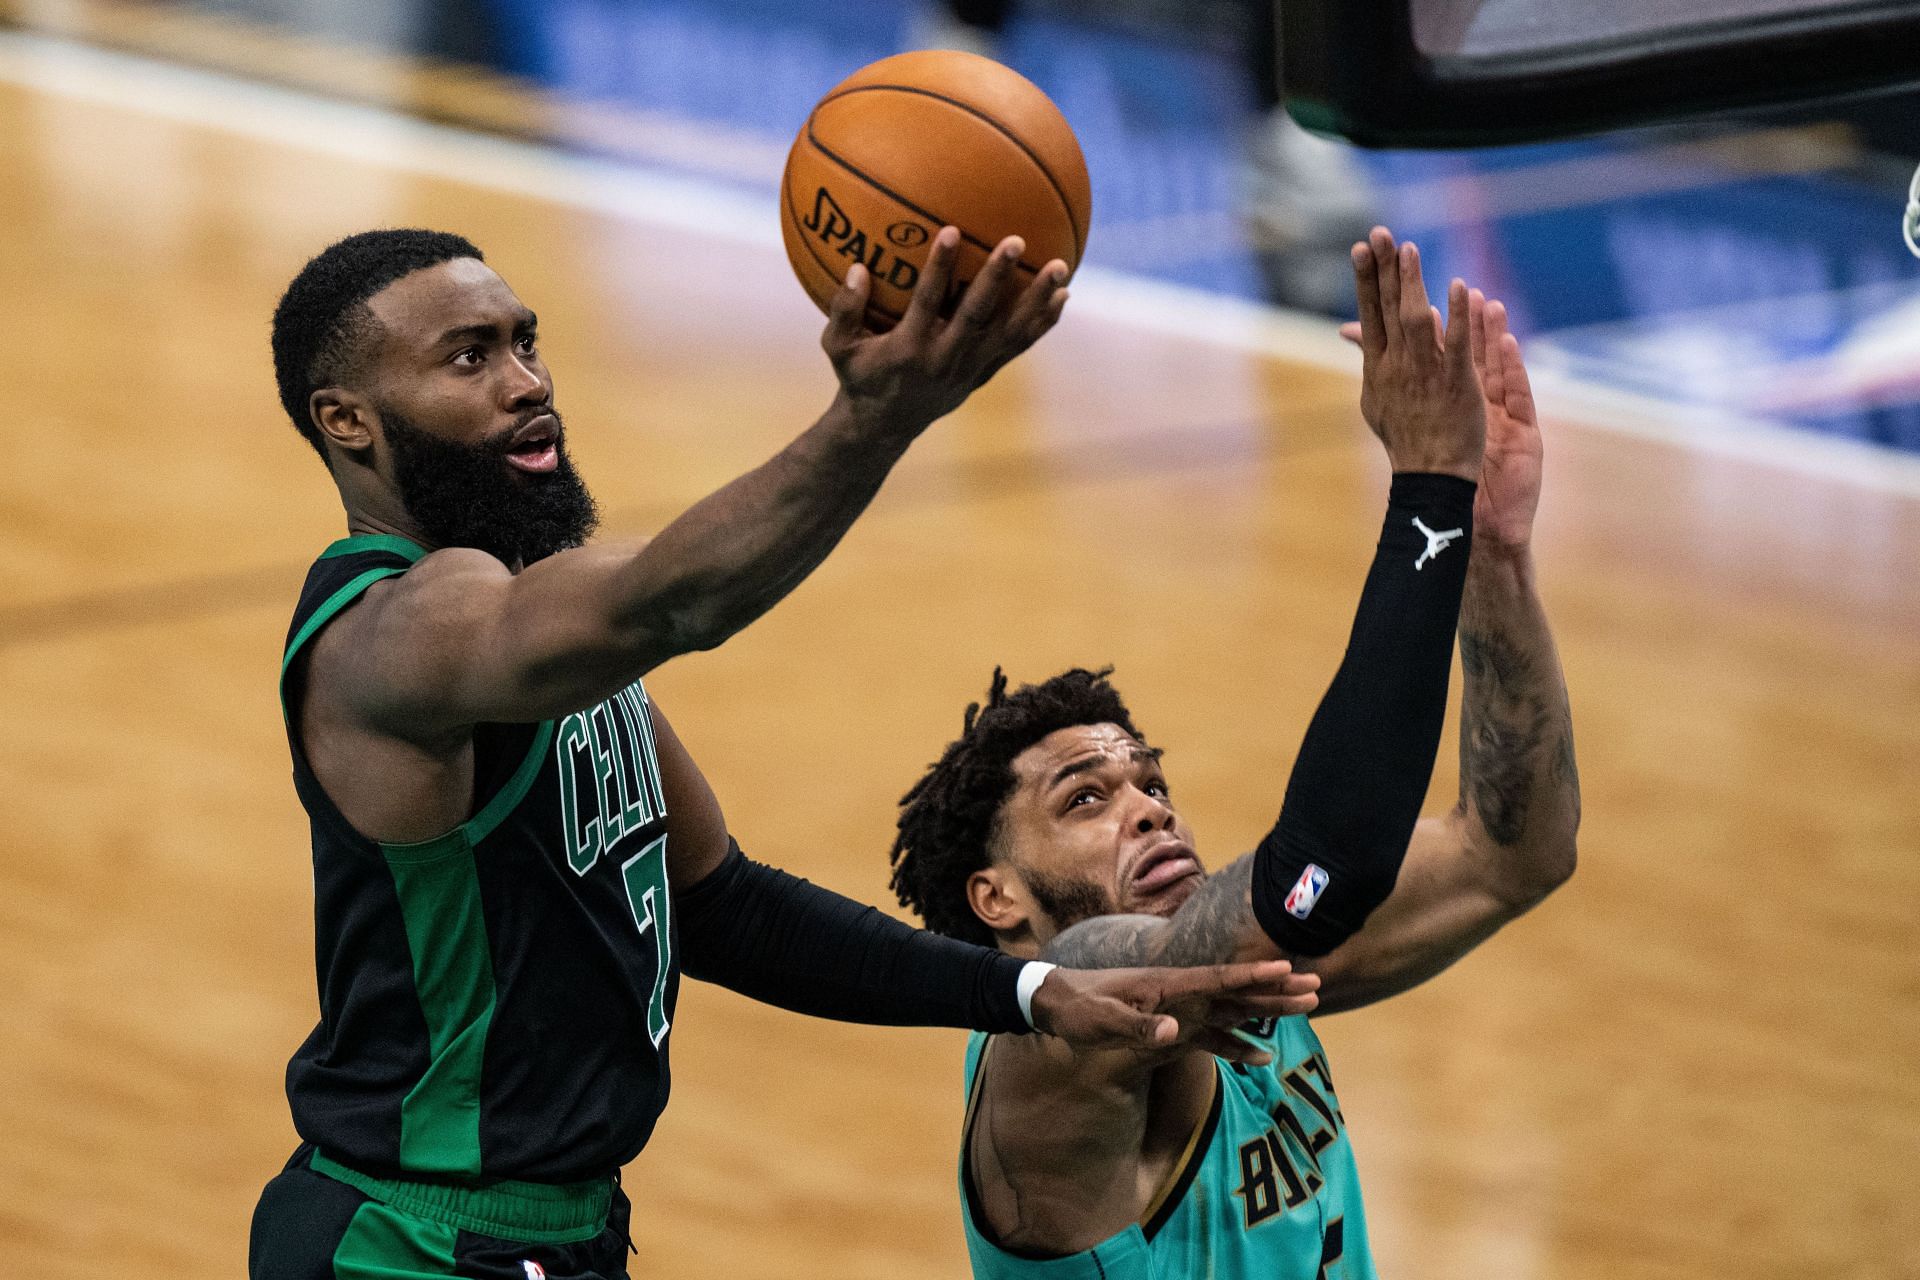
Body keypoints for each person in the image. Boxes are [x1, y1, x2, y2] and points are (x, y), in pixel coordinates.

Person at [247, 226, 1322, 1278]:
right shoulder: (391, 634)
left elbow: (727, 907)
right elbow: (672, 600)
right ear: (348, 420)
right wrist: (871, 421)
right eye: (469, 357)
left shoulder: (539, 652)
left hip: (551, 1228)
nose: (527, 382)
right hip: (407, 1241)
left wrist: (1029, 989)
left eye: (526, 341)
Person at [888, 227, 1581, 1278]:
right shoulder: (1064, 1030)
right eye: (1086, 799)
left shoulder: (1246, 970)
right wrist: (1427, 491)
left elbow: (1511, 849)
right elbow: (1319, 875)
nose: (1151, 809)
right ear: (997, 897)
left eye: (1149, 781)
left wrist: (1488, 547)